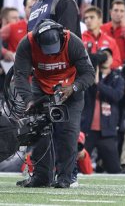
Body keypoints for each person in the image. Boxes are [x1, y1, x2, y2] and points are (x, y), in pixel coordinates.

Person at [14, 19, 95, 188]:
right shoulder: (27, 44)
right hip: (41, 89)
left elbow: (88, 73)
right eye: (47, 50)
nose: (51, 54)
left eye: (54, 49)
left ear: (61, 37)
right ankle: (42, 177)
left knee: (68, 132)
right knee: (38, 130)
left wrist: (73, 87)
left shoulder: (73, 42)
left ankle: (65, 177)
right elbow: (20, 76)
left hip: (71, 90)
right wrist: (29, 101)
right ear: (37, 40)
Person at [81, 47, 124, 174]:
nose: (105, 58)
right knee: (77, 164)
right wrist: (94, 66)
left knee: (115, 169)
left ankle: (100, 164)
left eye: (108, 56)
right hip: (88, 130)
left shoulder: (117, 78)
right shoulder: (89, 76)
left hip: (107, 131)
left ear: (112, 59)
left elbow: (116, 95)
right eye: (102, 55)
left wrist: (98, 84)